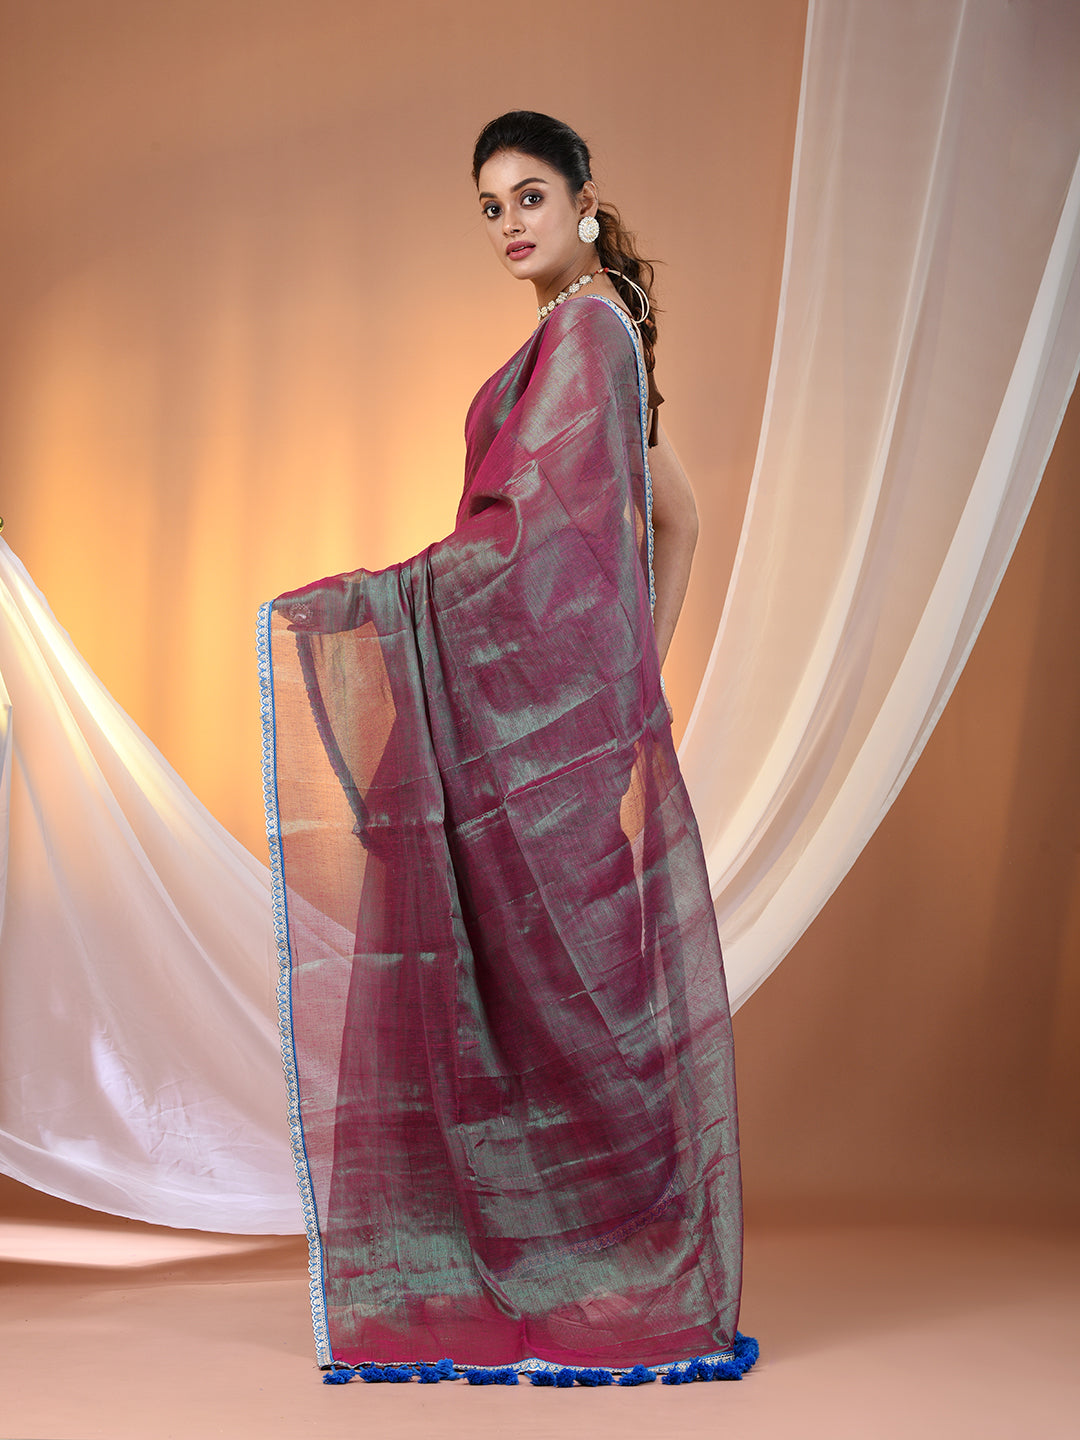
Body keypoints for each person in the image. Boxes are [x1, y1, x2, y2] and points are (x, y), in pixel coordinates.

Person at [258, 110, 754, 1387]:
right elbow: (680, 520)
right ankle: (584, 1259)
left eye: (531, 195)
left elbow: (531, 546)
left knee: (568, 990)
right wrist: (632, 686)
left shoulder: (588, 331)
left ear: (585, 199)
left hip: (544, 730)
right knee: (549, 989)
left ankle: (612, 1269)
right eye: (490, 205)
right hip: (546, 720)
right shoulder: (585, 334)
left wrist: (385, 602)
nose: (510, 223)